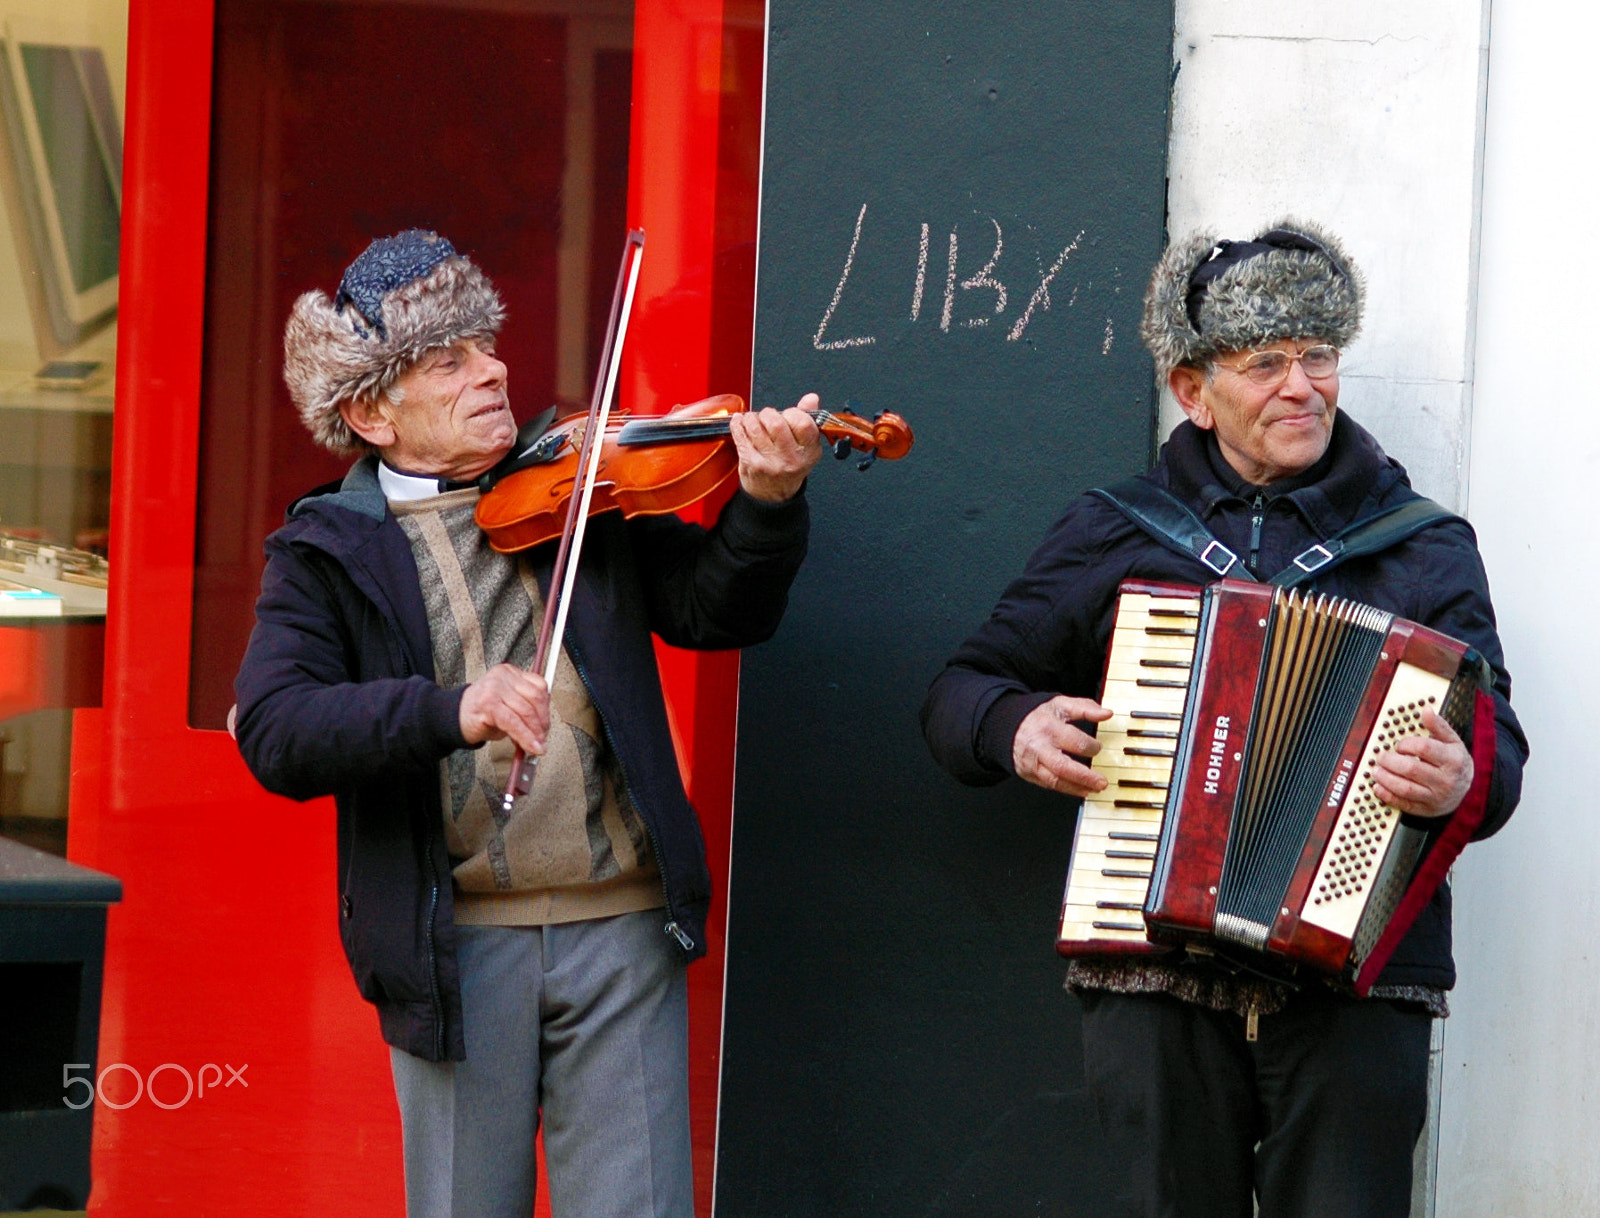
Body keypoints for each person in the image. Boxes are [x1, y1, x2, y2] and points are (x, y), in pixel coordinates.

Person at [920, 219, 1527, 1218]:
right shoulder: (1115, 530)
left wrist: (1467, 776)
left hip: (1356, 977)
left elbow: (1496, 742)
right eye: (1265, 364)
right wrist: (1014, 726)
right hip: (1151, 970)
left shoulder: (1421, 546)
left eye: (1317, 357)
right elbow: (960, 692)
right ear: (1192, 392)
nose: (1302, 386)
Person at [233, 229, 823, 1218]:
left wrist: (765, 505)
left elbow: (716, 614)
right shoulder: (324, 552)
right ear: (372, 411)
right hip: (453, 948)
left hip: (620, 925)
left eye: (486, 346)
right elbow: (279, 732)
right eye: (448, 360)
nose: (492, 370)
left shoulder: (580, 493)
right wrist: (447, 710)